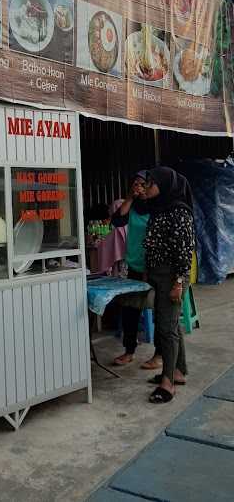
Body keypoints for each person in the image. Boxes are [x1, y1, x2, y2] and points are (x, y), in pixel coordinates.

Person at [143, 167, 195, 404]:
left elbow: (184, 252)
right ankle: (178, 371)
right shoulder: (159, 208)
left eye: (151, 183)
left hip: (171, 276)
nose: (147, 187)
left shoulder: (179, 212)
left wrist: (179, 283)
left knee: (166, 328)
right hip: (157, 273)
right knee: (171, 324)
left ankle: (168, 384)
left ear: (164, 185)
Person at [111, 171, 162, 368]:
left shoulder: (158, 207)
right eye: (136, 184)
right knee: (130, 309)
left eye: (143, 184)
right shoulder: (132, 206)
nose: (139, 188)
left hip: (155, 267)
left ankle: (159, 354)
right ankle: (129, 350)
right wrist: (130, 198)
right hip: (134, 265)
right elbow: (117, 221)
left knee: (160, 312)